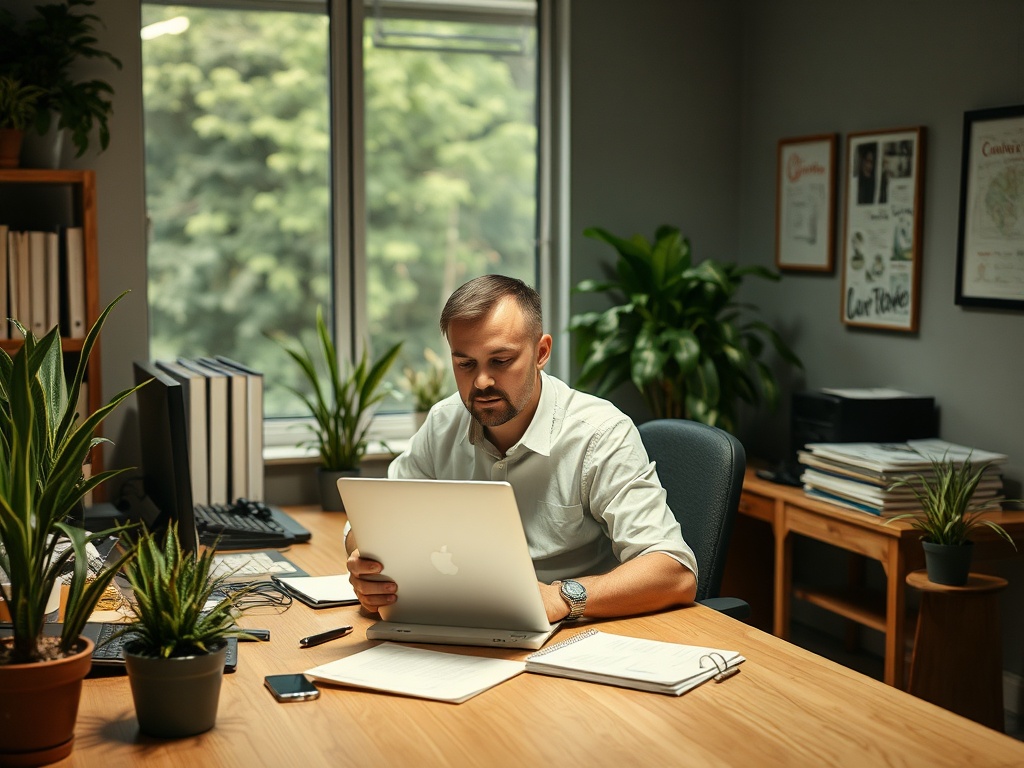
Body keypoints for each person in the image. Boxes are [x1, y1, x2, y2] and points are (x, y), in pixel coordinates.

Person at [345, 275, 697, 623]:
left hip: (571, 636)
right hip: (458, 621)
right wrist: (367, 567)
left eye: (500, 361)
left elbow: (674, 572)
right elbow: (369, 525)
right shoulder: (443, 422)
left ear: (541, 352)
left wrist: (562, 596)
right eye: (465, 363)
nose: (481, 381)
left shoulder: (600, 433)